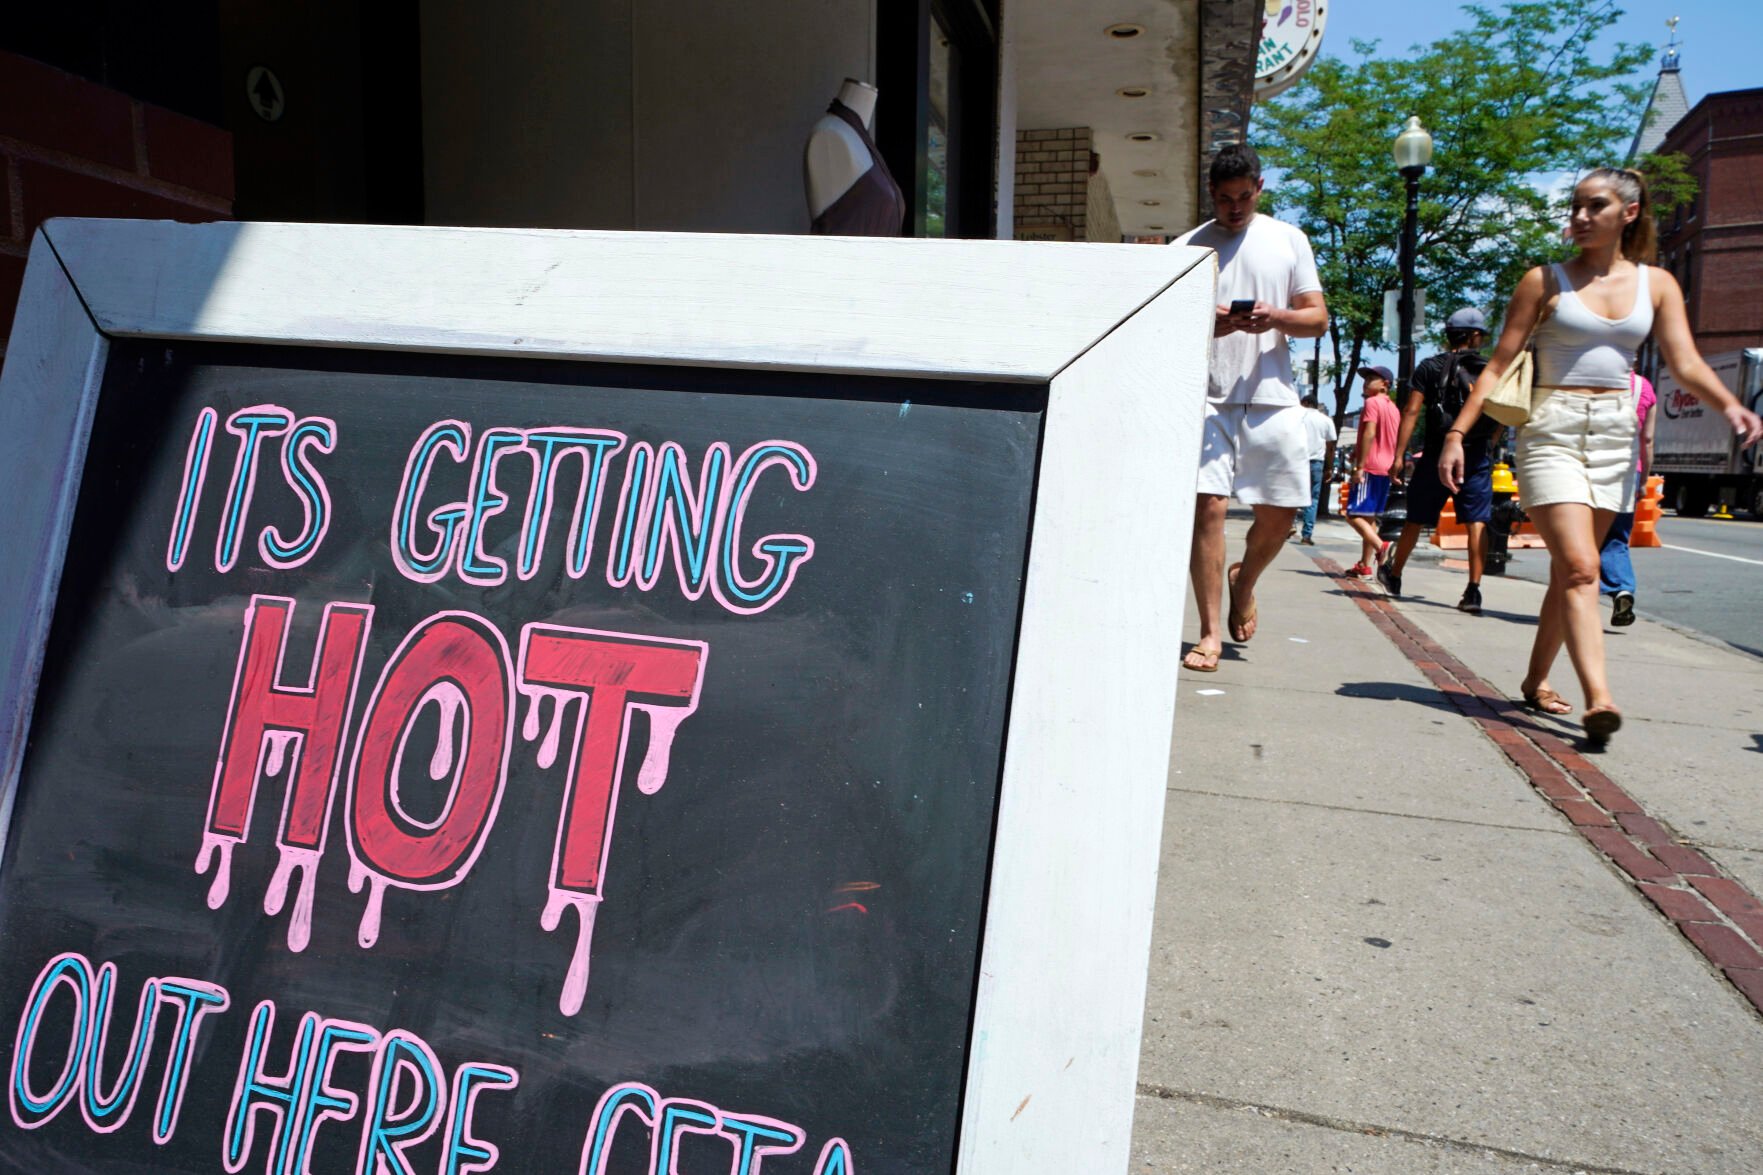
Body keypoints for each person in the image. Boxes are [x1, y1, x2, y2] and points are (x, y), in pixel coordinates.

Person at [1439, 167, 1763, 743]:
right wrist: (1458, 435)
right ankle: (1600, 701)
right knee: (1584, 568)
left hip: (1615, 432)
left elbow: (1685, 361)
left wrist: (1731, 406)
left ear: (1628, 213)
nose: (1582, 217)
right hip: (1551, 428)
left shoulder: (1656, 284)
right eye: (1577, 206)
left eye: (1596, 206)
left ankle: (1536, 680)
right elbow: (1497, 365)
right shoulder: (1545, 281)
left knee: (1570, 572)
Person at [1172, 143, 1329, 672]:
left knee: (1281, 513)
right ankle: (1211, 632)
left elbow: (1318, 319)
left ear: (1259, 188)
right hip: (1207, 394)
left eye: (1243, 197)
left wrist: (1276, 316)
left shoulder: (1288, 239)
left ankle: (1246, 581)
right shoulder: (1187, 248)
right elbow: (1161, 325)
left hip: (1272, 394)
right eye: (1223, 199)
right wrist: (1207, 321)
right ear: (1210, 195)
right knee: (1208, 507)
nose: (1234, 209)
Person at [1378, 308, 1500, 612]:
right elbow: (1501, 412)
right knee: (1477, 523)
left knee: (1414, 520)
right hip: (1474, 455)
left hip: (1436, 453)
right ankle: (1473, 590)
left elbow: (1412, 411)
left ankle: (1394, 575)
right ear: (1474, 336)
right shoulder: (1489, 370)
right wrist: (1488, 443)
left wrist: (1398, 455)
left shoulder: (1430, 367)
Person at [1599, 372, 1656, 626]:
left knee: (1585, 536)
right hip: (1629, 469)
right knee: (1617, 537)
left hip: (1594, 466)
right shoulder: (1644, 387)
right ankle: (1622, 588)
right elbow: (1648, 439)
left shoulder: (1596, 379)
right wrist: (1643, 480)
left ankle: (1580, 602)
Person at [1344, 365, 1399, 576]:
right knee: (1369, 518)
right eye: (1365, 379)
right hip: (1384, 467)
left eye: (1371, 379)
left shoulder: (1372, 403)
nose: (1366, 383)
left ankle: (1381, 546)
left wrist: (1359, 465)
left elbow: (1370, 433)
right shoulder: (1393, 408)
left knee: (1353, 514)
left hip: (1369, 466)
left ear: (1385, 384)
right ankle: (1364, 564)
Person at [1296, 396, 1337, 544]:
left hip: (1297, 461)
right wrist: (1329, 467)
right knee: (1312, 499)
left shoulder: (1297, 417)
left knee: (1293, 494)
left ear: (1306, 403)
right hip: (1316, 463)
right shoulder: (1326, 420)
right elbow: (1331, 446)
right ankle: (1306, 535)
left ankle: (1290, 525)